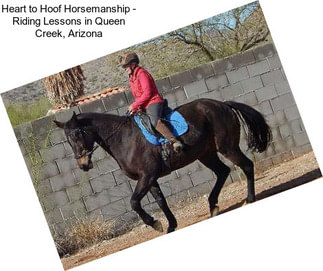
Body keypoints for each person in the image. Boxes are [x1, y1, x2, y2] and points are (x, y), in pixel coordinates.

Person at [119, 52, 183, 152]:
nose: (125, 69)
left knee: (154, 121)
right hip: (144, 105)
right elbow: (138, 96)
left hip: (153, 101)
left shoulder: (142, 74)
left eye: (126, 66)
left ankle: (174, 141)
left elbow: (147, 93)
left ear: (133, 64)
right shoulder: (132, 79)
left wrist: (134, 105)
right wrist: (135, 108)